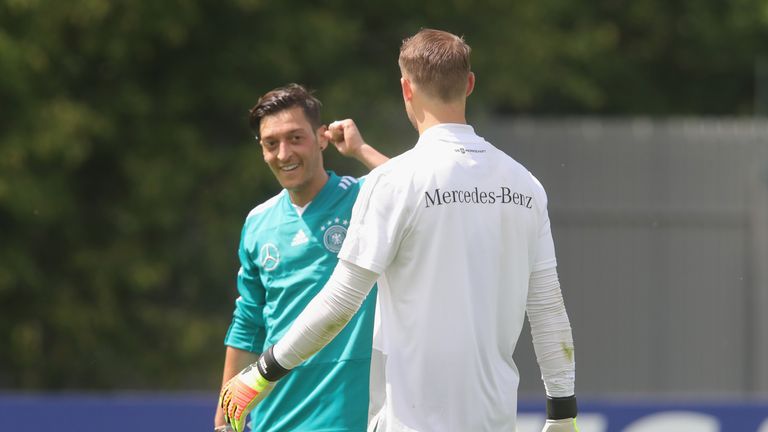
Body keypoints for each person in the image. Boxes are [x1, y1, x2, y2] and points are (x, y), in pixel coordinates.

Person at [220, 30, 578, 432]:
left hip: (411, 421)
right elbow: (549, 311)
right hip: (494, 420)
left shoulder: (394, 181)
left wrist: (262, 371)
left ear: (406, 89)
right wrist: (562, 414)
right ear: (470, 84)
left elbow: (339, 303)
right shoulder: (525, 185)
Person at [214, 83, 389, 432]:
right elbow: (248, 324)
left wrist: (361, 149)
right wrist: (225, 418)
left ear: (322, 138)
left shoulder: (365, 198)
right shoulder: (258, 222)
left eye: (296, 138)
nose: (284, 154)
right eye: (271, 144)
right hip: (274, 413)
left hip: (351, 411)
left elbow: (420, 197)